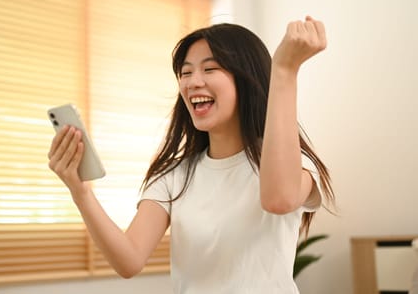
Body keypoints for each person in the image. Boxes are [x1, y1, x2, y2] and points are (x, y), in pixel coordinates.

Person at [48, 16, 335, 293]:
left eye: (210, 69)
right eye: (186, 73)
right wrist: (81, 193)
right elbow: (129, 260)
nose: (193, 82)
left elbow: (279, 199)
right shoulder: (175, 176)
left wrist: (284, 70)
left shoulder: (291, 164)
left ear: (246, 81)